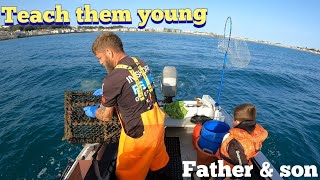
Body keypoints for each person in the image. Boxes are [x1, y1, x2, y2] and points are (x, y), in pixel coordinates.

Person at [91, 32, 169, 180]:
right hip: (157, 125)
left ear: (109, 52)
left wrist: (95, 111)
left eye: (100, 58)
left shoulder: (112, 79)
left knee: (126, 174)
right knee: (159, 165)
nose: (100, 63)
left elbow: (106, 116)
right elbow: (136, 84)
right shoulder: (139, 62)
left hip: (139, 137)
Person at [217, 103, 268, 169]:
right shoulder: (257, 132)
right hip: (246, 155)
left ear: (237, 122)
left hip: (230, 167)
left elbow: (241, 164)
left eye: (234, 119)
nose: (232, 121)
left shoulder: (234, 142)